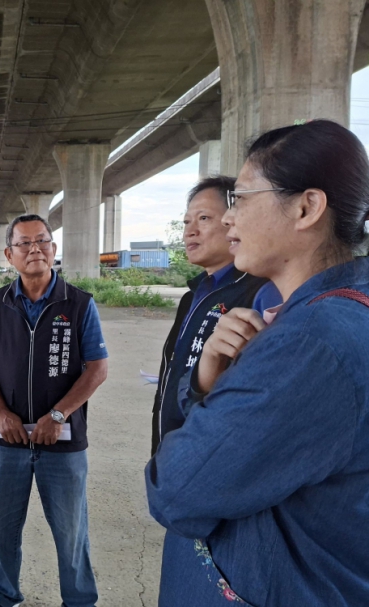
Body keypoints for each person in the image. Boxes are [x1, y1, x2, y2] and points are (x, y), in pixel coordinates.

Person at [147, 119, 369, 606]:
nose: (228, 220)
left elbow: (176, 491)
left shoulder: (309, 344)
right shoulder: (334, 313)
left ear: (307, 207)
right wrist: (212, 382)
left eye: (241, 199)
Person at [0, 214, 109, 607]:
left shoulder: (80, 304)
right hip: (7, 438)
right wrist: (0, 410)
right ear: (9, 254)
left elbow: (97, 369)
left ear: (54, 248)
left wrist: (58, 415)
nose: (35, 249)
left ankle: (79, 601)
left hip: (62, 440)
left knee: (71, 530)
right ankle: (3, 596)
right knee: (2, 527)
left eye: (42, 241)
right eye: (24, 243)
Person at [150, 176, 282, 455]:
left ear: (234, 220)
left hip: (212, 455)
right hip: (173, 447)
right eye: (187, 222)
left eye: (204, 218)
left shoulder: (260, 294)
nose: (190, 232)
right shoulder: (192, 296)